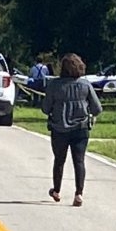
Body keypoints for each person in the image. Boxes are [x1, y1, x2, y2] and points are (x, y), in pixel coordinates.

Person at [42, 53, 101, 207]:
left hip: (59, 128)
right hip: (81, 128)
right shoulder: (85, 85)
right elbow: (97, 108)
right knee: (79, 160)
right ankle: (79, 193)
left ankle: (56, 190)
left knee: (59, 160)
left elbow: (45, 108)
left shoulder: (54, 85)